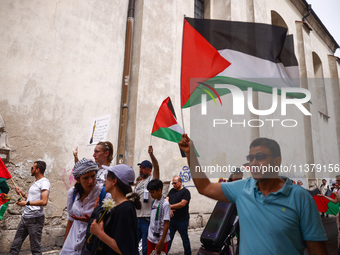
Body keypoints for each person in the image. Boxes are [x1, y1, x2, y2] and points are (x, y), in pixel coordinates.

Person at [178, 134, 328, 255]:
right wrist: (191, 154)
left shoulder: (300, 198)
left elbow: (317, 249)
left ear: (277, 161)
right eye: (251, 158)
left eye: (261, 157)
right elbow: (205, 187)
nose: (254, 163)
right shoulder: (242, 189)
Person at [60, 158, 110, 255]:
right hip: (71, 245)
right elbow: (70, 221)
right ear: (78, 179)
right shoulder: (73, 193)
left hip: (90, 246)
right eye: (86, 178)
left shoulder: (104, 194)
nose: (91, 181)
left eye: (93, 176)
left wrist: (90, 220)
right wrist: (65, 244)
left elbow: (107, 224)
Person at [90, 164, 141, 254]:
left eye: (107, 177)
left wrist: (99, 233)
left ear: (114, 181)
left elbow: (125, 250)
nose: (105, 180)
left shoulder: (125, 209)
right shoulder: (117, 206)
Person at [9, 161, 50, 255]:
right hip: (25, 217)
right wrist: (22, 194)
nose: (31, 170)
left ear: (37, 170)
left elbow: (44, 202)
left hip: (35, 219)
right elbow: (33, 198)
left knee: (35, 249)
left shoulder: (44, 183)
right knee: (15, 245)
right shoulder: (36, 182)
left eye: (32, 168)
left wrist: (26, 203)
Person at [135, 145, 160, 255]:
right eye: (140, 167)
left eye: (144, 168)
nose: (141, 169)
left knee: (146, 247)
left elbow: (157, 167)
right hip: (136, 217)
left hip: (146, 218)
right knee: (133, 244)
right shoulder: (139, 181)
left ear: (150, 170)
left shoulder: (151, 180)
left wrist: (151, 155)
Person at [166, 176, 191, 255]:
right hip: (172, 219)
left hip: (182, 220)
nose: (173, 185)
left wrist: (170, 206)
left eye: (175, 183)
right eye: (172, 183)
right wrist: (169, 209)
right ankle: (165, 253)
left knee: (184, 238)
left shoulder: (185, 192)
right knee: (168, 238)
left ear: (180, 182)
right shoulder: (172, 191)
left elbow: (182, 204)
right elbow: (167, 200)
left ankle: (188, 253)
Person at [146, 179, 170, 255]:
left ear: (159, 190)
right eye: (150, 192)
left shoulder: (165, 204)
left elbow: (166, 224)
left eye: (153, 192)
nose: (151, 195)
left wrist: (161, 241)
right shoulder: (154, 202)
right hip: (151, 238)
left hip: (160, 239)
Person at [318, 175, 340, 255]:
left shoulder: (337, 190)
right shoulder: (337, 190)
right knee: (339, 234)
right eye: (336, 181)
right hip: (339, 215)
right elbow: (335, 201)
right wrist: (324, 196)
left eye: (338, 181)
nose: (336, 183)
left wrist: (336, 195)